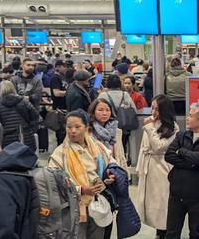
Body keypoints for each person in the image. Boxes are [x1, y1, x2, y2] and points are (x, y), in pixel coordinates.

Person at [48, 110, 118, 239]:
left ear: (86, 127)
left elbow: (112, 164)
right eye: (69, 127)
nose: (73, 131)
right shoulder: (60, 154)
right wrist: (81, 190)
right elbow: (53, 182)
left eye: (77, 127)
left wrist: (110, 175)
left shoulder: (98, 147)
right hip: (73, 206)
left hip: (98, 203)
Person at [164, 102, 199, 239]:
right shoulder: (181, 135)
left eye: (190, 115)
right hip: (177, 194)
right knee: (171, 233)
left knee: (197, 234)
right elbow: (169, 155)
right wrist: (194, 162)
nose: (187, 118)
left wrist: (182, 151)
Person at [136, 94, 179, 239]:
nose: (153, 112)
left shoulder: (173, 127)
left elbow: (159, 147)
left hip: (162, 169)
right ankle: (158, 232)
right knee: (149, 204)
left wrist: (148, 127)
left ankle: (164, 232)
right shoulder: (152, 122)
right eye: (152, 108)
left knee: (162, 204)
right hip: (148, 167)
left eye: (157, 109)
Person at [0, 80, 40, 151]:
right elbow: (35, 116)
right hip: (26, 137)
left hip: (7, 141)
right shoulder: (24, 101)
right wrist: (32, 130)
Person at [98, 74, 137, 158]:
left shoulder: (103, 95)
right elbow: (134, 109)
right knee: (122, 146)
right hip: (123, 125)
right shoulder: (125, 95)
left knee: (108, 147)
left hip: (107, 126)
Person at [88, 98, 128, 171]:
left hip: (114, 170)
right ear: (93, 111)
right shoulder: (88, 131)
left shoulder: (116, 131)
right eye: (100, 110)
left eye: (107, 110)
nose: (104, 113)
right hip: (95, 171)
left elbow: (120, 155)